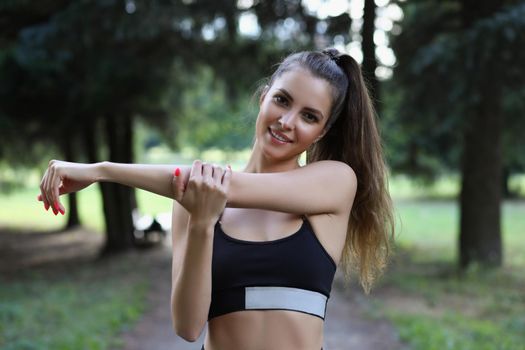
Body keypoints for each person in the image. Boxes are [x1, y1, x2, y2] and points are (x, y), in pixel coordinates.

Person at [38, 48, 394, 350]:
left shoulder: (334, 181)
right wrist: (203, 224)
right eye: (282, 100)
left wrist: (101, 170)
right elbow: (189, 327)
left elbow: (225, 188)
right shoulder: (194, 201)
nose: (287, 121)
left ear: (323, 130)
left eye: (309, 116)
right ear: (263, 96)